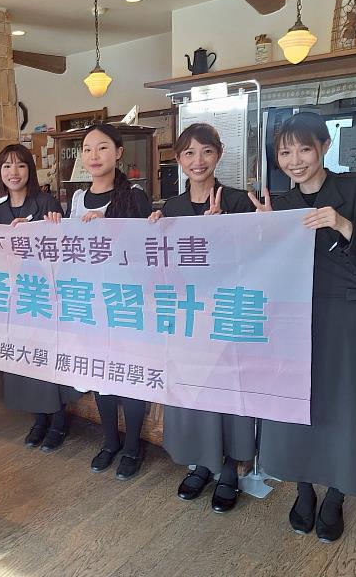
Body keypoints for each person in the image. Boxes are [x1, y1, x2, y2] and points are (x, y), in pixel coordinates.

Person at [248, 112, 356, 542]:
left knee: (344, 405)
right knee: (297, 403)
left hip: (347, 314)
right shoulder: (279, 203)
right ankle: (304, 489)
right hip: (295, 317)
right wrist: (263, 231)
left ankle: (336, 494)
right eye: (285, 152)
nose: (294, 160)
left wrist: (342, 224)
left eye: (304, 149)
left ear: (325, 147)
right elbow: (265, 269)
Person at [148, 123, 256, 513]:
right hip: (188, 317)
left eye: (207, 151)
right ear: (178, 159)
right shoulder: (171, 210)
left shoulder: (240, 201)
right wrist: (153, 235)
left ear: (218, 155)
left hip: (227, 313)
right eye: (189, 153)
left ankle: (229, 470)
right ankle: (201, 464)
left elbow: (256, 260)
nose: (198, 161)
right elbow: (163, 270)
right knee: (194, 391)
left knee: (227, 392)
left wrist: (221, 231)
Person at [46, 123, 151, 480]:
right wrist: (54, 226)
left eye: (102, 147)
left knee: (130, 374)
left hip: (126, 301)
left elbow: (145, 250)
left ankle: (133, 446)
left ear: (118, 153)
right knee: (101, 373)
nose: (94, 155)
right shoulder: (77, 199)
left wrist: (111, 223)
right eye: (87, 149)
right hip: (91, 302)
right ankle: (110, 441)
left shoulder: (134, 196)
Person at [0, 144, 82, 452]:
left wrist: (44, 230)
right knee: (25, 357)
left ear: (29, 170)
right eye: (6, 166)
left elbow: (63, 249)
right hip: (16, 295)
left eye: (20, 165)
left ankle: (58, 421)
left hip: (46, 294)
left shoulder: (46, 203)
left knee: (47, 356)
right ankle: (38, 419)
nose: (13, 172)